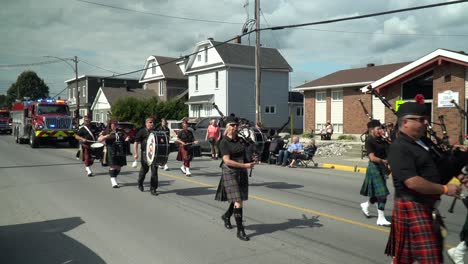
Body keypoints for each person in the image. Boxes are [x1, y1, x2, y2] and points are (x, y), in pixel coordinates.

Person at [384, 102, 461, 264]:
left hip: (427, 207)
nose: (425, 122)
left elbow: (440, 166)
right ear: (405, 122)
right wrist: (445, 189)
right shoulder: (399, 147)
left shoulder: (424, 143)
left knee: (408, 259)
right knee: (431, 260)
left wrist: (459, 169)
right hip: (412, 206)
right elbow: (413, 182)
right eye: (420, 119)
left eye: (425, 119)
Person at [214, 116, 255, 241]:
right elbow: (227, 161)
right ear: (227, 127)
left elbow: (250, 150)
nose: (235, 127)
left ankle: (227, 216)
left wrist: (253, 157)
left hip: (241, 171)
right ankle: (240, 230)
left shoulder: (241, 140)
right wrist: (245, 165)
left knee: (237, 198)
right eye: (232, 125)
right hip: (230, 171)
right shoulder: (224, 142)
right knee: (238, 200)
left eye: (236, 125)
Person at [359, 119, 391, 226]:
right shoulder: (369, 141)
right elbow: (372, 158)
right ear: (372, 130)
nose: (380, 130)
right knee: (382, 193)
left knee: (377, 193)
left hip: (382, 168)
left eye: (381, 128)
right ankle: (381, 218)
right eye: (378, 129)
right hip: (374, 167)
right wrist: (383, 161)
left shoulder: (382, 140)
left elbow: (389, 151)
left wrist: (388, 139)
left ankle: (366, 205)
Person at [98, 119, 130, 188]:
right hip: (111, 150)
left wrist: (127, 138)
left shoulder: (120, 131)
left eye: (116, 124)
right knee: (113, 166)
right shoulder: (106, 131)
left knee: (119, 167)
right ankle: (113, 181)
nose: (115, 125)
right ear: (110, 124)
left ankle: (114, 177)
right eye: (114, 124)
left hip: (120, 150)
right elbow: (99, 139)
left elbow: (126, 136)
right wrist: (105, 137)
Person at [134, 117, 159, 195]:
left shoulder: (156, 132)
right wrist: (136, 153)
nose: (152, 124)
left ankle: (153, 189)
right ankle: (140, 182)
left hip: (154, 154)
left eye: (152, 122)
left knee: (154, 172)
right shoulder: (142, 131)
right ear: (146, 123)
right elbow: (136, 142)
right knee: (144, 170)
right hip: (145, 154)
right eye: (150, 122)